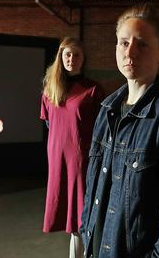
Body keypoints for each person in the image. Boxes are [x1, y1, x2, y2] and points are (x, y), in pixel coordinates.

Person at [80, 4, 159, 257]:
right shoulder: (106, 110)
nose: (130, 52)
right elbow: (94, 183)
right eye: (123, 43)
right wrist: (86, 230)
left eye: (142, 44)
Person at [41, 37, 104, 258]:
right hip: (58, 161)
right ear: (60, 56)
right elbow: (50, 124)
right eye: (68, 54)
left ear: (83, 59)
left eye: (77, 54)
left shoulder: (93, 90)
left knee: (82, 219)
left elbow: (102, 131)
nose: (72, 59)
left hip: (82, 161)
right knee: (71, 223)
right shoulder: (50, 89)